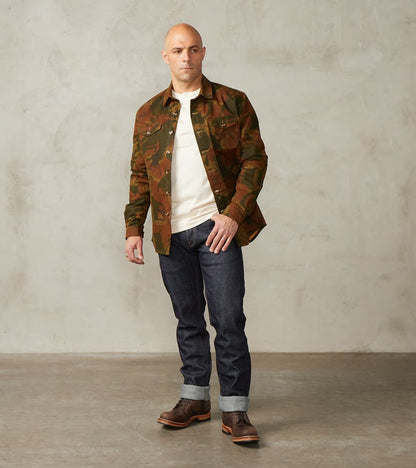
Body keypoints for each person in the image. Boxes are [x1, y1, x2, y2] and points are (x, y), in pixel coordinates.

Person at [124, 23, 267, 444]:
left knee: (228, 319)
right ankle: (195, 399)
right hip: (170, 233)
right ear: (165, 56)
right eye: (177, 50)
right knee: (187, 319)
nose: (185, 57)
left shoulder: (232, 102)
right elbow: (140, 174)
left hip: (215, 229)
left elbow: (255, 160)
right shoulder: (148, 113)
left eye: (192, 49)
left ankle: (235, 409)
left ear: (203, 52)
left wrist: (233, 215)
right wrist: (134, 227)